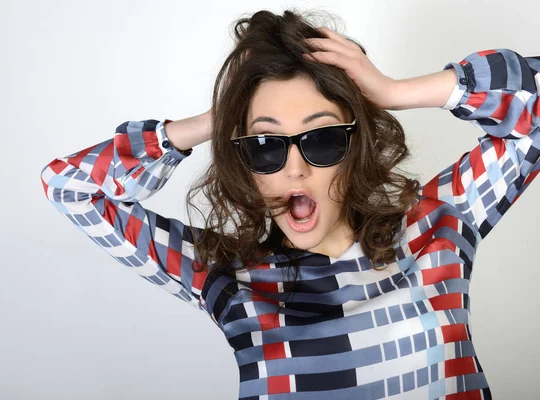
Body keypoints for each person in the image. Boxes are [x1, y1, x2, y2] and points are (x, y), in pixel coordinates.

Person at [39, 8, 539, 400]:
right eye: (266, 145)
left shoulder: (435, 229)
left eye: (322, 140)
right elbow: (71, 187)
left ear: (356, 146)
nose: (294, 170)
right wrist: (213, 119)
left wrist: (394, 92)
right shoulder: (223, 275)